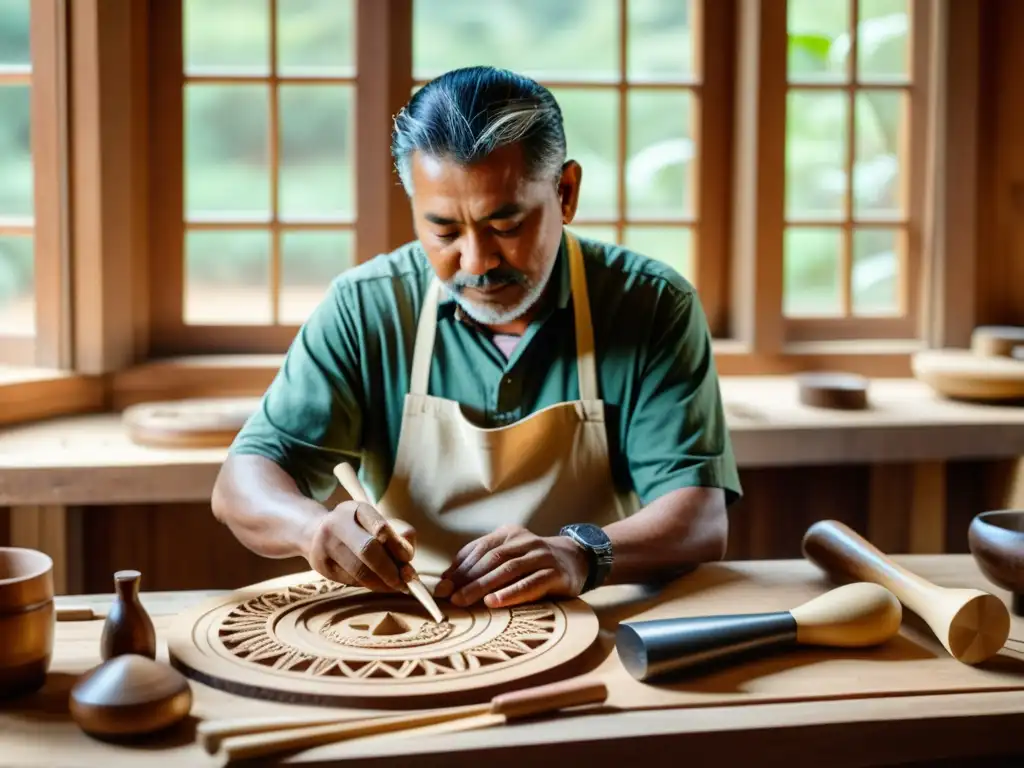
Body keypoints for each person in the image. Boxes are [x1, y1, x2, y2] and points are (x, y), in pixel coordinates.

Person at [211, 65, 742, 611]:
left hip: (598, 616)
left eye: (505, 227)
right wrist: (312, 529)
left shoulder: (651, 304)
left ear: (565, 192)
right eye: (443, 231)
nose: (476, 261)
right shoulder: (366, 307)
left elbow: (699, 517)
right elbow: (241, 483)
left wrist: (578, 554)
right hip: (414, 629)